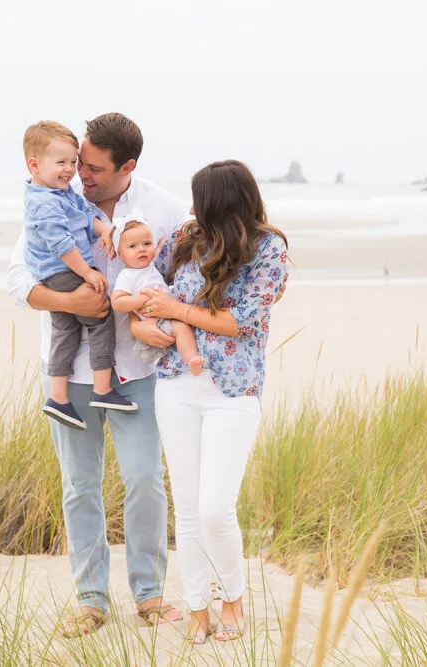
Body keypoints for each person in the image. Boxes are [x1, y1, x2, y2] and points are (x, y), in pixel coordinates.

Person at [6, 113, 187, 635]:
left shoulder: (162, 208)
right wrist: (73, 302)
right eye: (78, 163)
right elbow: (18, 281)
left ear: (127, 167)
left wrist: (154, 320)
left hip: (137, 370)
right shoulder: (53, 198)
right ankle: (90, 600)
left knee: (145, 479)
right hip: (69, 373)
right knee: (79, 487)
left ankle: (149, 594)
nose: (81, 174)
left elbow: (184, 279)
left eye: (93, 168)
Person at [135, 160, 289, 645]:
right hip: (175, 384)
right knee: (187, 509)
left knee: (216, 509)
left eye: (200, 199)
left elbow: (241, 322)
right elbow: (144, 289)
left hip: (234, 390)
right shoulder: (185, 239)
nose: (192, 207)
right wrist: (145, 324)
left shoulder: (269, 249)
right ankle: (198, 608)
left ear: (222, 203)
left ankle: (233, 600)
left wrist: (177, 311)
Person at [21, 120, 137, 430]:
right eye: (62, 162)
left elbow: (85, 216)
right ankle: (103, 389)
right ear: (34, 165)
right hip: (63, 272)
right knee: (100, 316)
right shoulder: (44, 202)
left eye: (74, 162)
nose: (71, 170)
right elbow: (62, 245)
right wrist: (87, 273)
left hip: (57, 274)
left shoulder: (59, 193)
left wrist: (105, 230)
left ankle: (58, 397)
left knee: (65, 329)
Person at [109, 210, 204, 375]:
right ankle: (192, 359)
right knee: (181, 329)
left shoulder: (151, 266)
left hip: (168, 310)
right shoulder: (127, 275)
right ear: (120, 255)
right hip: (156, 320)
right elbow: (117, 302)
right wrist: (141, 298)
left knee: (184, 327)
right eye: (133, 246)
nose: (141, 250)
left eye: (147, 244)